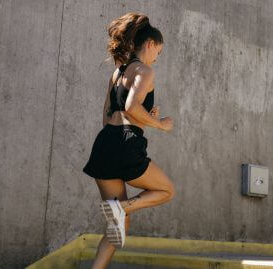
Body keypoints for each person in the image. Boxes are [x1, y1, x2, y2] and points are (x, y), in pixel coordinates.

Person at [82, 12, 176, 269]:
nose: (158, 56)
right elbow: (132, 106)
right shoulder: (145, 71)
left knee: (117, 230)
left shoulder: (118, 72)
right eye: (160, 51)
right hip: (126, 143)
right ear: (151, 44)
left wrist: (144, 118)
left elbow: (109, 114)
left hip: (105, 143)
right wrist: (161, 124)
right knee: (167, 190)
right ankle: (123, 206)